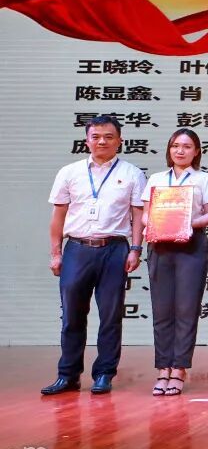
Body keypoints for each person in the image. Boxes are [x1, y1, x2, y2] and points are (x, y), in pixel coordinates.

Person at [43, 115, 147, 395]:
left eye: (109, 137)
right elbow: (58, 216)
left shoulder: (133, 174)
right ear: (87, 140)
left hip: (114, 249)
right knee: (71, 316)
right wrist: (56, 253)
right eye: (96, 137)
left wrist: (136, 249)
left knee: (111, 316)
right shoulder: (70, 172)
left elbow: (138, 216)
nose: (102, 141)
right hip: (76, 249)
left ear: (119, 141)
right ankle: (68, 375)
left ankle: (104, 374)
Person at [140, 129, 208, 396]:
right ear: (169, 150)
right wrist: (158, 223)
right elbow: (145, 216)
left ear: (196, 151)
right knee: (162, 309)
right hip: (160, 246)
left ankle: (179, 368)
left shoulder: (204, 179)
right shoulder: (156, 179)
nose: (180, 151)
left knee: (186, 309)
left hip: (190, 246)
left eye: (186, 146)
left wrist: (185, 223)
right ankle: (163, 368)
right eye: (175, 146)